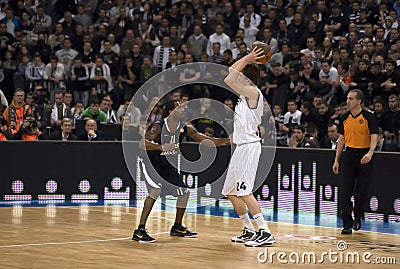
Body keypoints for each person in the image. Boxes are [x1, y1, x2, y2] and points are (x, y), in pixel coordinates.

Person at [132, 100, 230, 243]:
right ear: (171, 111)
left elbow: (205, 139)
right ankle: (139, 230)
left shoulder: (186, 128)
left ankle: (177, 227)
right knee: (155, 190)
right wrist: (161, 147)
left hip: (168, 165)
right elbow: (142, 144)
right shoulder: (158, 127)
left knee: (184, 192)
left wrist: (226, 140)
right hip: (151, 162)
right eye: (180, 107)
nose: (183, 110)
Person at [222, 46, 276, 247]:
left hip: (250, 146)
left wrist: (248, 58)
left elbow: (229, 77)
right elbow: (231, 73)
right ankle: (249, 229)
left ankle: (265, 231)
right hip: (241, 146)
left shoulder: (253, 92)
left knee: (245, 191)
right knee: (230, 191)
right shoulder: (244, 96)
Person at [332, 89, 379, 234]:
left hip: (364, 155)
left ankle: (357, 216)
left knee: (361, 191)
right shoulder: (344, 117)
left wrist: (370, 152)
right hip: (349, 154)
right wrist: (337, 160)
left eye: (351, 99)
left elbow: (374, 135)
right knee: (345, 191)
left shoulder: (368, 117)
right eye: (347, 98)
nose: (348, 101)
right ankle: (346, 223)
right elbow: (341, 139)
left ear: (359, 101)